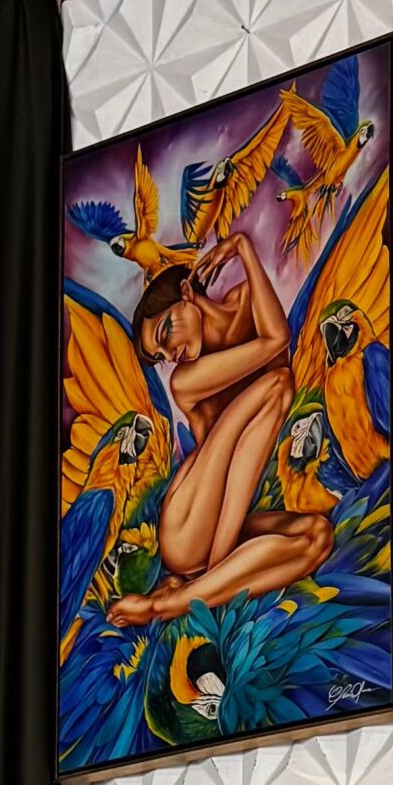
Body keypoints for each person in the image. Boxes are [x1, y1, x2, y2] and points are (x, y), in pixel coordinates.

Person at [106, 229, 331, 627]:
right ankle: (172, 600)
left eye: (165, 333)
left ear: (187, 293)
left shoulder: (248, 300)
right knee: (278, 385)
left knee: (318, 537)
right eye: (161, 356)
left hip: (227, 519)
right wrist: (241, 246)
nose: (170, 355)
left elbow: (277, 340)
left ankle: (187, 592)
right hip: (187, 524)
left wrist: (243, 246)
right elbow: (275, 344)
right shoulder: (185, 381)